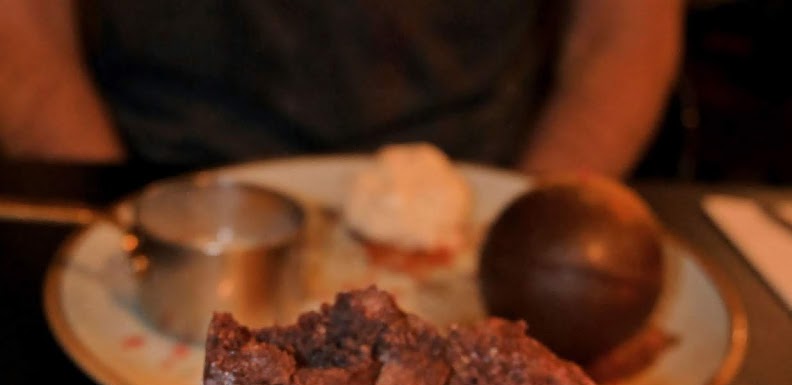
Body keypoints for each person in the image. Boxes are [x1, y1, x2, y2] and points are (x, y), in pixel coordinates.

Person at [0, 0, 683, 177]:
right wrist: (120, 216)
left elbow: (624, 32)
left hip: (478, 185)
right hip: (159, 172)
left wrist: (530, 228)